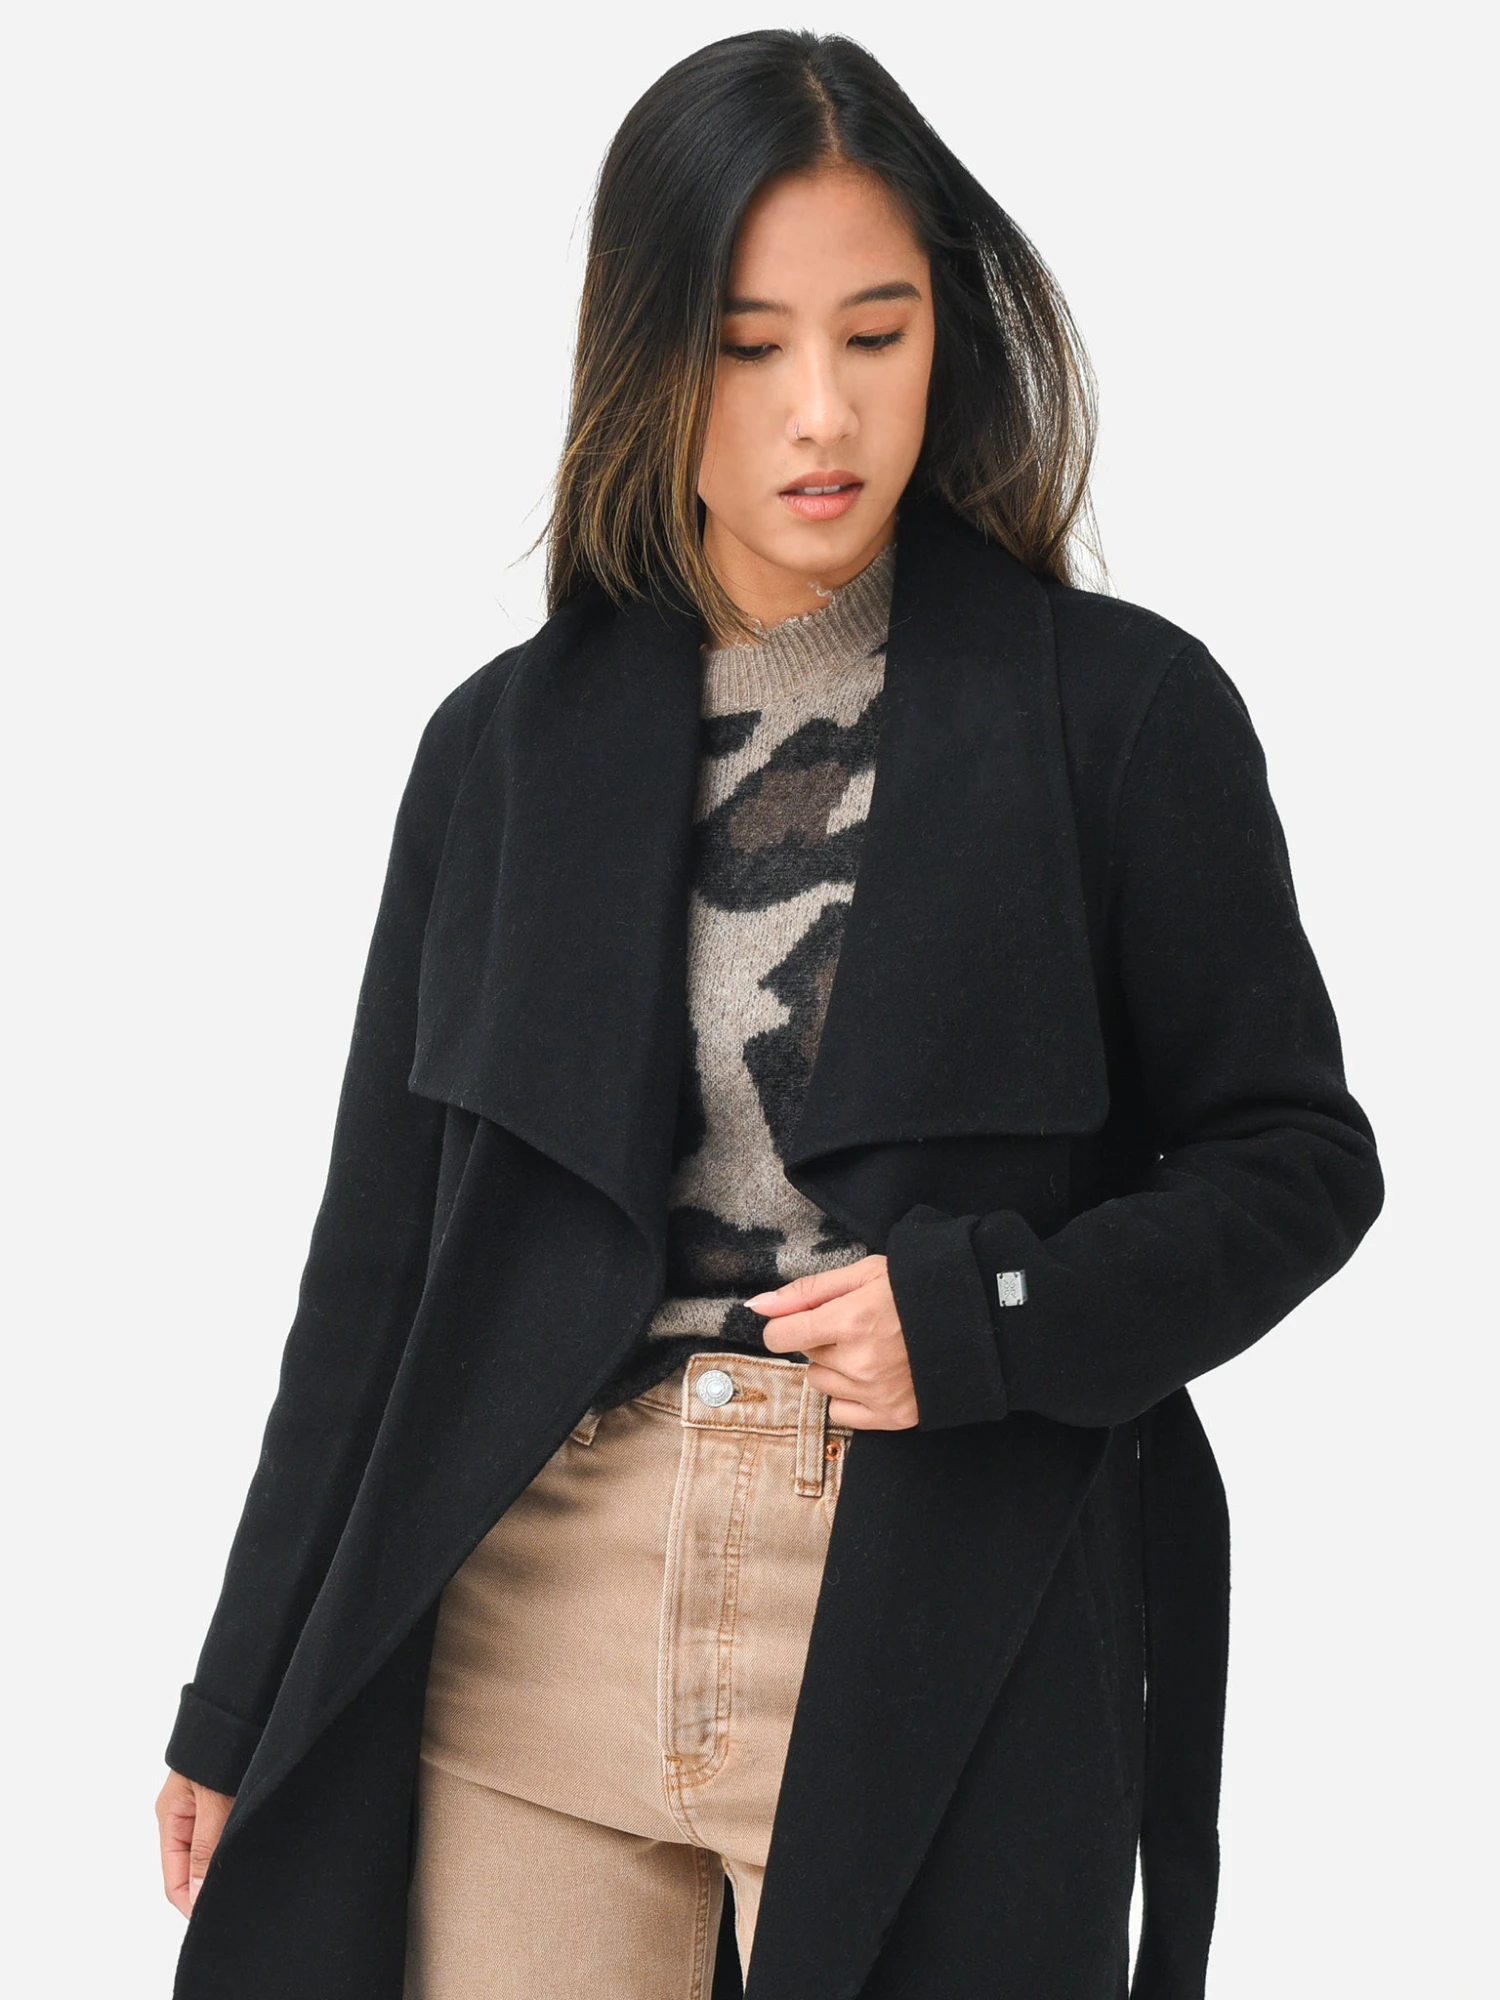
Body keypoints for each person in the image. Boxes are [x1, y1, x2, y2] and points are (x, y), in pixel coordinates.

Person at [155, 28, 1383, 2000]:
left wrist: (996, 1316)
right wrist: (242, 1695)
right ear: (650, 359)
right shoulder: (497, 753)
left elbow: (1298, 1163)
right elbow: (380, 1268)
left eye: (877, 333)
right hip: (532, 1608)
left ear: (948, 336)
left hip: (936, 1612)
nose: (825, 410)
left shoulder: (1121, 715)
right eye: (748, 347)